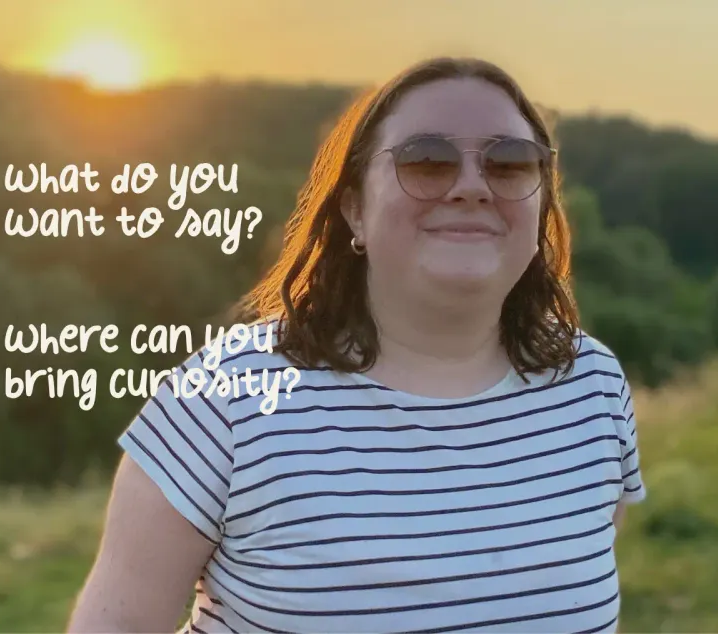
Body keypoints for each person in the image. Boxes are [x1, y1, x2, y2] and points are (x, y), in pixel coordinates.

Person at [67, 56, 646, 633]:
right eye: (426, 160)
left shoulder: (591, 384)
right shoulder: (226, 396)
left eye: (511, 163)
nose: (472, 186)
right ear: (354, 210)